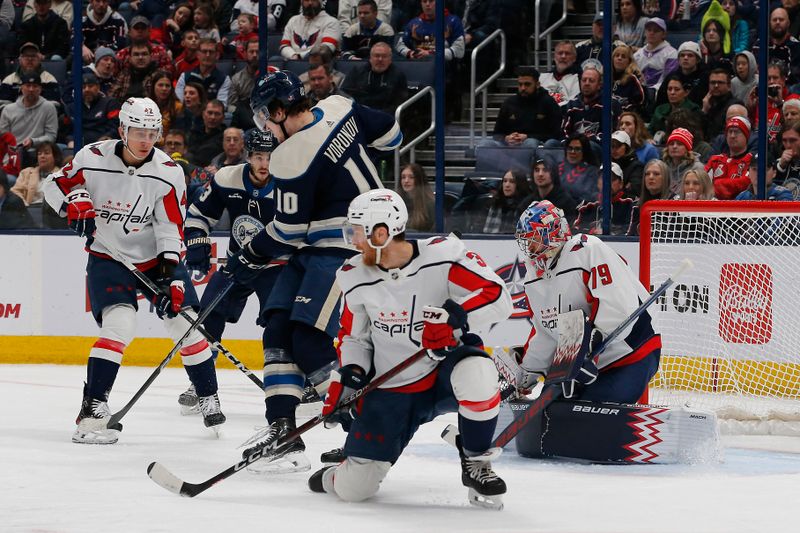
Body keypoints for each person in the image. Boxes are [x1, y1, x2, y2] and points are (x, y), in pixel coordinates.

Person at [224, 70, 402, 473]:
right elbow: (392, 135)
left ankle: (365, 428)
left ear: (280, 110)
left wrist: (248, 254)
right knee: (278, 330)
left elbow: (287, 231)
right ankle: (282, 430)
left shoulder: (290, 156)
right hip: (323, 248)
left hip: (344, 249)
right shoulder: (339, 106)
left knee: (307, 338)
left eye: (265, 119)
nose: (265, 129)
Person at [308, 188, 512, 509]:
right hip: (391, 388)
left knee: (480, 372)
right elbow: (354, 339)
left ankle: (475, 459)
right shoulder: (354, 276)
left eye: (358, 232)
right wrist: (350, 375)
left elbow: (497, 296)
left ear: (382, 232)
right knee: (355, 490)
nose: (353, 240)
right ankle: (336, 474)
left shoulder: (442, 256)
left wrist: (454, 318)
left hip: (442, 371)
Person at [41, 97, 225, 444]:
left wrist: (171, 276)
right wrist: (72, 206)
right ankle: (93, 406)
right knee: (120, 324)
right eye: (138, 131)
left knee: (185, 325)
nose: (145, 140)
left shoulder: (169, 172)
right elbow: (53, 185)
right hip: (108, 257)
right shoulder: (91, 158)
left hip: (156, 259)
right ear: (122, 129)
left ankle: (207, 394)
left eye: (152, 132)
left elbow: (170, 227)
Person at [178, 129, 283, 412]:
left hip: (275, 265)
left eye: (270, 157)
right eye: (259, 156)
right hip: (237, 263)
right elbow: (199, 214)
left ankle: (290, 382)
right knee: (208, 316)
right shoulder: (227, 178)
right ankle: (201, 383)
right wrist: (198, 242)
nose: (264, 163)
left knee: (280, 323)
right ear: (248, 156)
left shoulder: (290, 183)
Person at [514, 199, 660, 403]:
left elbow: (620, 307)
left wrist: (585, 353)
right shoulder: (533, 278)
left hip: (630, 352)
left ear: (554, 232)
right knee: (550, 411)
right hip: (577, 361)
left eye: (535, 239)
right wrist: (525, 373)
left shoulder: (587, 250)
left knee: (592, 409)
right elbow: (547, 332)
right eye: (526, 241)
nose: (529, 247)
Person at [482, 66, 562, 148]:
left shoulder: (548, 102)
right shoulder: (509, 103)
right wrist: (507, 138)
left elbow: (555, 134)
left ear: (537, 85)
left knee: (530, 143)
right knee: (484, 145)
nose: (523, 88)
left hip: (538, 145)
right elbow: (497, 133)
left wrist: (527, 137)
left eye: (527, 84)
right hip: (509, 145)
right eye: (520, 84)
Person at [340, 42, 408, 114]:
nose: (380, 59)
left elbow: (399, 103)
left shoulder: (398, 75)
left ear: (390, 59)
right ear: (370, 58)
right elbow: (345, 95)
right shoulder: (357, 71)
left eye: (384, 56)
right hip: (358, 114)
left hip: (385, 117)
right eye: (377, 56)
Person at [0, 71, 57, 152]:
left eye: (35, 86)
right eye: (28, 86)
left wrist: (33, 141)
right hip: (12, 152)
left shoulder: (49, 108)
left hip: (38, 151)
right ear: (21, 88)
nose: (31, 89)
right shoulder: (8, 109)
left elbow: (51, 136)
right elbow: (3, 136)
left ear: (40, 89)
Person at [573, 162, 635, 234]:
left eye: (612, 179)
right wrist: (591, 231)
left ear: (621, 184)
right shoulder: (587, 204)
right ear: (598, 182)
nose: (607, 182)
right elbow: (575, 229)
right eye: (603, 178)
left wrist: (611, 232)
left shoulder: (630, 203)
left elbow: (633, 230)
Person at [705, 116, 752, 199]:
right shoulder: (715, 160)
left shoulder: (752, 160)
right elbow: (702, 183)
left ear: (746, 136)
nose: (732, 135)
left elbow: (746, 183)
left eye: (736, 132)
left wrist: (717, 184)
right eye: (730, 132)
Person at [175, 38, 232, 107]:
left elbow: (221, 106)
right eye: (204, 51)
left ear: (217, 55)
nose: (207, 55)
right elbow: (179, 103)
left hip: (212, 115)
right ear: (198, 55)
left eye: (211, 52)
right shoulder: (184, 76)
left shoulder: (224, 79)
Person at [517, 157, 577, 223]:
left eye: (545, 170)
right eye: (537, 170)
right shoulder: (526, 204)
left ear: (553, 173)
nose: (540, 174)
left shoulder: (566, 203)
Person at [654, 41, 709, 108]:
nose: (685, 58)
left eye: (690, 55)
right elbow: (661, 102)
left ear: (697, 60)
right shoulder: (671, 77)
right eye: (682, 55)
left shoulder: (705, 77)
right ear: (678, 60)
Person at [72, 71, 120, 146]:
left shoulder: (110, 103)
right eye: (83, 87)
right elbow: (68, 129)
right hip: (79, 145)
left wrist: (107, 137)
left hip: (103, 144)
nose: (87, 89)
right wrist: (70, 140)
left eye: (90, 86)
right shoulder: (74, 106)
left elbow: (115, 127)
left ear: (98, 87)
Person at [628, 158, 672, 235]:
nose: (651, 177)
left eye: (656, 174)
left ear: (665, 178)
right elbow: (630, 236)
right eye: (647, 174)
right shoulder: (636, 206)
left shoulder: (675, 203)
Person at [633, 17, 677, 90]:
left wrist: (652, 90)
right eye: (649, 30)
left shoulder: (672, 54)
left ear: (664, 34)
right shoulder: (637, 54)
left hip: (661, 93)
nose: (651, 33)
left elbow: (669, 79)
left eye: (656, 31)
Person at [483, 170, 531, 234]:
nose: (507, 185)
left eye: (512, 182)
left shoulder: (528, 208)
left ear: (520, 184)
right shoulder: (495, 204)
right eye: (505, 181)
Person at [702, 68, 742, 142]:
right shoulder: (708, 103)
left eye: (720, 83)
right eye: (713, 83)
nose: (716, 86)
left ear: (729, 86)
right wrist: (704, 111)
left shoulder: (735, 106)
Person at [662, 127, 705, 195]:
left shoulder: (698, 168)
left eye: (679, 144)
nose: (674, 146)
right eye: (671, 144)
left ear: (687, 148)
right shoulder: (663, 167)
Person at [559, 133, 600, 204]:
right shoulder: (557, 166)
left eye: (577, 149)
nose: (572, 152)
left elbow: (589, 198)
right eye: (570, 148)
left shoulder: (592, 172)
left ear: (584, 151)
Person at [186, 99, 226, 168]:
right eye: (210, 113)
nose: (213, 117)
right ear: (203, 114)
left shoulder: (226, 136)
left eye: (217, 114)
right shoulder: (194, 131)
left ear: (223, 117)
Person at [539, 40, 580, 106]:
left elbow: (573, 104)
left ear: (574, 58)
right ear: (554, 57)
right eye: (560, 53)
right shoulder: (542, 77)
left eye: (567, 53)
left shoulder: (579, 79)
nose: (563, 56)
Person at [146, 70, 182, 141]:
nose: (164, 89)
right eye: (160, 85)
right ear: (153, 87)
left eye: (167, 86)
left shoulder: (178, 107)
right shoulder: (146, 104)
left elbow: (178, 133)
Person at [397, 162, 434, 232]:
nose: (406, 181)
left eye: (411, 177)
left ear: (419, 180)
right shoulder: (396, 202)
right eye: (403, 177)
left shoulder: (429, 204)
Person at [611, 43, 645, 115]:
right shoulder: (604, 77)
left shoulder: (632, 79)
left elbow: (638, 102)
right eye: (617, 56)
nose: (619, 58)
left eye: (623, 57)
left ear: (629, 62)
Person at [610, 130, 643, 198]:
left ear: (627, 147)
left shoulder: (637, 166)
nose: (614, 149)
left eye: (618, 145)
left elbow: (634, 193)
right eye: (612, 146)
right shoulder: (607, 164)